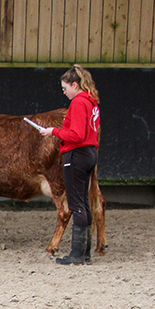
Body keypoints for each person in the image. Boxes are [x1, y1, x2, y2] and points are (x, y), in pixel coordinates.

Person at [39, 64, 100, 265]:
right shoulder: (92, 103)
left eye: (65, 88)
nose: (64, 92)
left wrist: (53, 132)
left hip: (76, 154)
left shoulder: (79, 103)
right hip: (89, 152)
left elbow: (76, 134)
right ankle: (84, 253)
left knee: (76, 204)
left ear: (75, 84)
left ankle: (76, 255)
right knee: (83, 202)